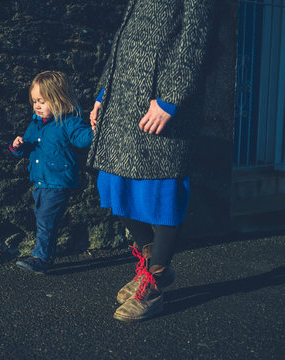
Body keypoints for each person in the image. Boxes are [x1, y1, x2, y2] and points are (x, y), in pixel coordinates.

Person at [87, 1, 213, 321]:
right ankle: (152, 264)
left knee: (163, 190)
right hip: (124, 101)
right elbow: (124, 39)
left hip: (159, 104)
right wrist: (104, 93)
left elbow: (196, 37)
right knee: (114, 183)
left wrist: (172, 97)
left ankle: (154, 283)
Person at [10, 71, 94, 274]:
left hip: (58, 182)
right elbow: (26, 148)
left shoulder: (68, 122)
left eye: (42, 101)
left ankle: (41, 258)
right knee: (42, 219)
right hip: (40, 181)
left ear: (59, 100)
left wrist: (95, 130)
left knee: (46, 220)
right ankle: (44, 254)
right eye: (34, 101)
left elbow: (83, 139)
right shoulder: (36, 124)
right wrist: (18, 145)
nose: (37, 106)